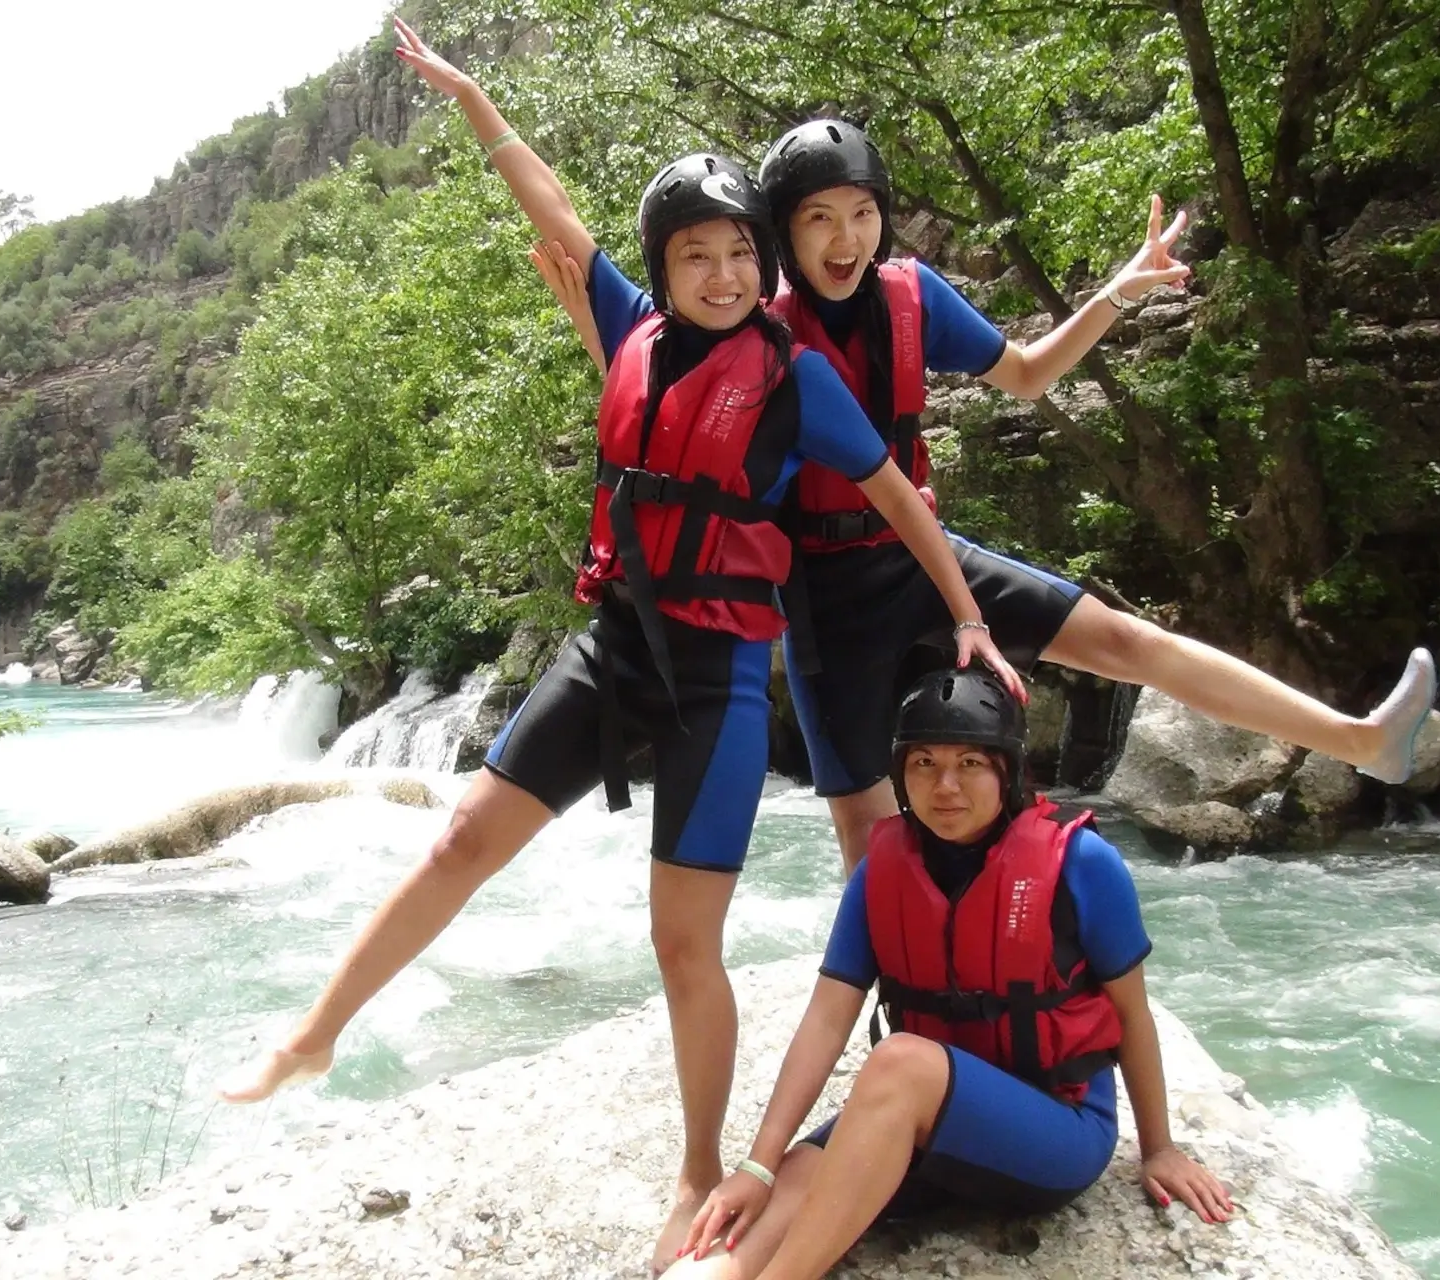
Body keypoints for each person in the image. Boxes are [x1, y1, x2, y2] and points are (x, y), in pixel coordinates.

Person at [217, 22, 1027, 1275]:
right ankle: (315, 1032)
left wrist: (966, 612)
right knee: (461, 837)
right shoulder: (632, 326)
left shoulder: (797, 378)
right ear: (664, 267)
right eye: (696, 254)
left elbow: (897, 498)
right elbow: (546, 199)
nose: (722, 273)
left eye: (740, 252)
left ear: (764, 262)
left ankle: (698, 1167)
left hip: (719, 681)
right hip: (615, 648)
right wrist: (475, 99)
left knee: (681, 943)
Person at [533, 120, 1439, 874]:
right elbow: (666, 402)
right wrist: (589, 319)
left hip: (920, 558)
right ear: (781, 234)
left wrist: (1118, 293)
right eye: (819, 219)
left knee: (1125, 641)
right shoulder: (748, 318)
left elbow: (1030, 374)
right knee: (866, 840)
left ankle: (1361, 739)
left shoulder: (911, 296)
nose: (847, 240)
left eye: (863, 214)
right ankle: (897, 1001)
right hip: (821, 600)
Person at [659, 668, 1232, 1280]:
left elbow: (1131, 1014)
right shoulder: (882, 871)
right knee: (789, 1181)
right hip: (930, 1119)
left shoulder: (1083, 863)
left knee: (901, 1063)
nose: (946, 786)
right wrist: (758, 1167)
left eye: (971, 763)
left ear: (1008, 771)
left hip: (1058, 1127)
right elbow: (826, 1019)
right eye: (924, 763)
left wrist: (1159, 1148)